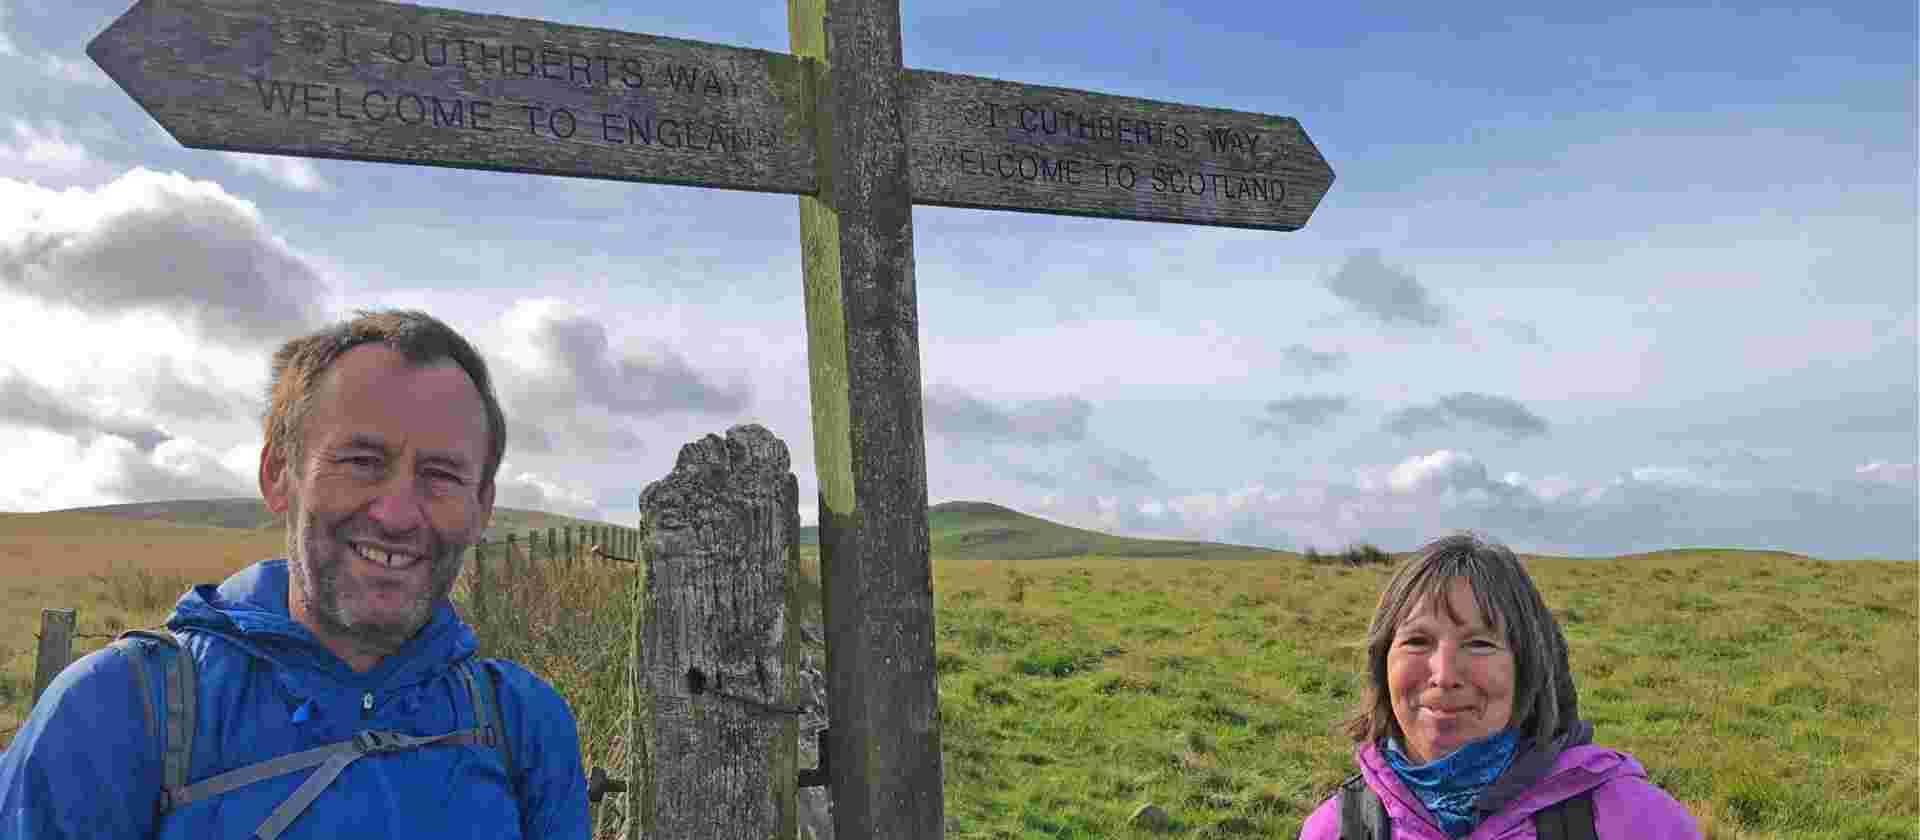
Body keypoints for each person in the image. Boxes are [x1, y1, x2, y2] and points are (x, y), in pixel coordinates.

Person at [0, 310, 590, 838]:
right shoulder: (116, 713)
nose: (396, 513)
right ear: (279, 475)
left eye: (441, 475)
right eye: (362, 462)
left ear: (483, 506)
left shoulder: (522, 725)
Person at [1297, 532, 1698, 840]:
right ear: (1382, 662)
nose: (1444, 673)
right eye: (1417, 641)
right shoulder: (1336, 829)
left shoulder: (1632, 821)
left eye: (1479, 644)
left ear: (1528, 667)